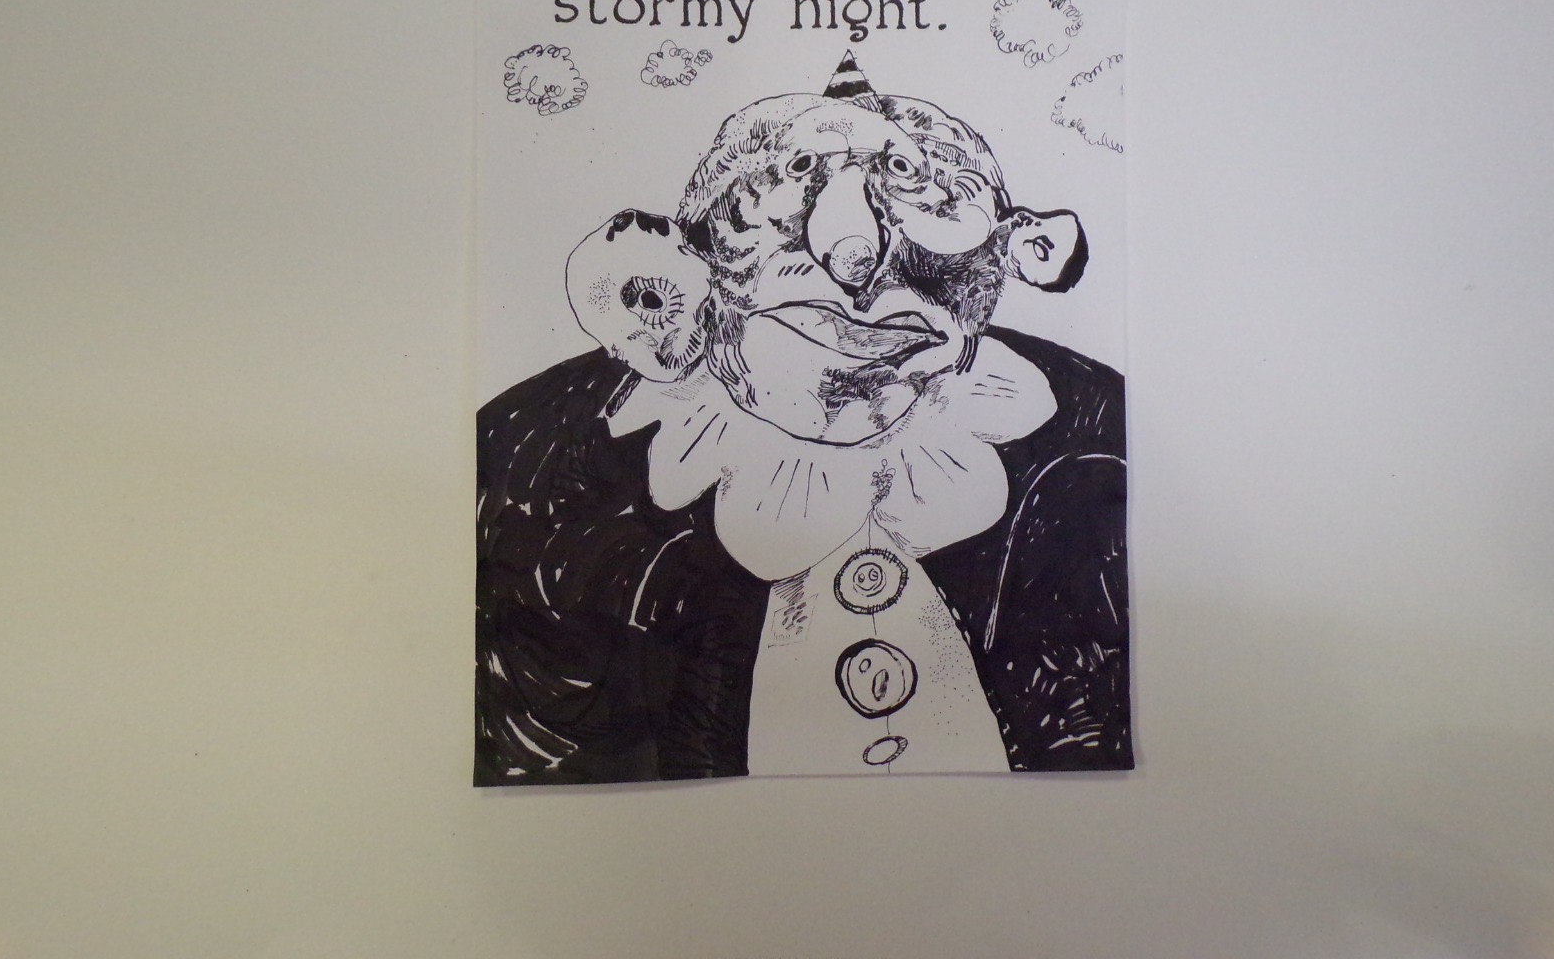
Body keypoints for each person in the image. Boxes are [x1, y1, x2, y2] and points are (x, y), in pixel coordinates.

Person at [476, 55, 1129, 783]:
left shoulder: (1091, 427)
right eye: (792, 201)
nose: (855, 269)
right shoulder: (540, 452)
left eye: (906, 193)